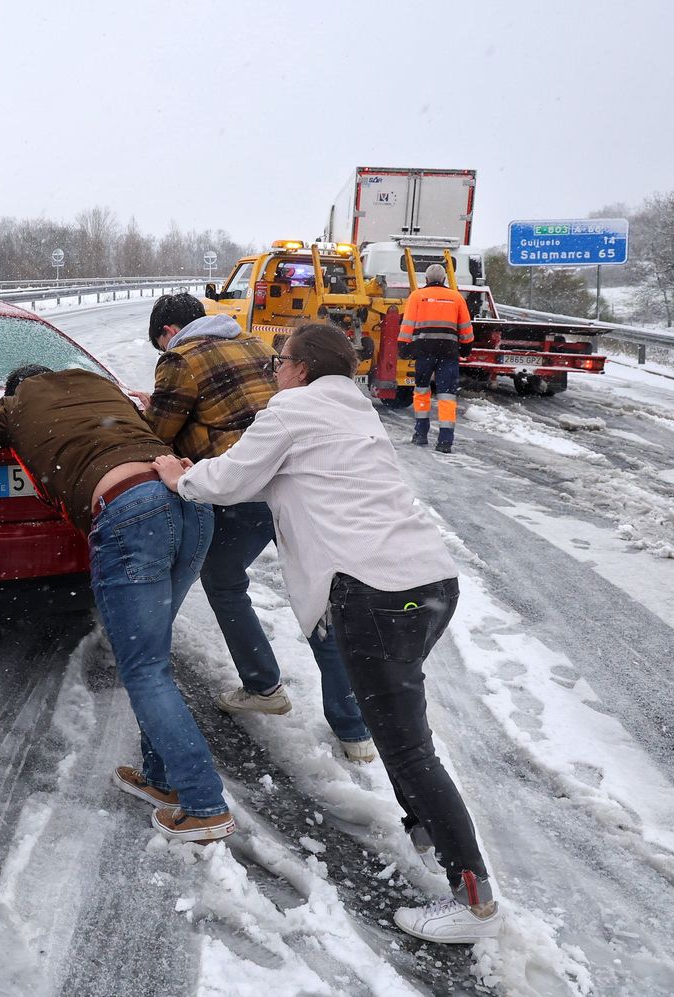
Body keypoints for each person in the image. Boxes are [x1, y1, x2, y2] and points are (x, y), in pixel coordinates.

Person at [153, 322, 504, 944]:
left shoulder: (291, 411)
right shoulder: (354, 411)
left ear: (302, 368)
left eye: (280, 360)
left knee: (408, 746)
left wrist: (179, 477)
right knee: (401, 727)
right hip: (430, 583)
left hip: (376, 593)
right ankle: (426, 825)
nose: (275, 370)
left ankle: (472, 899)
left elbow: (229, 482)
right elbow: (266, 478)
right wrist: (205, 473)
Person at [0, 365, 233, 842]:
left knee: (143, 669)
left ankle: (203, 804)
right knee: (152, 659)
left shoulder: (15, 407)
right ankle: (161, 778)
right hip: (190, 502)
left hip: (131, 511)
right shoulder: (101, 386)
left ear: (13, 393)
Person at [142, 293, 375, 762]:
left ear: (168, 332)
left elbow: (159, 432)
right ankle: (353, 729)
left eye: (161, 342)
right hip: (291, 482)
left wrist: (152, 415)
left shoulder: (180, 359)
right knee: (317, 595)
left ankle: (263, 685)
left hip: (242, 487)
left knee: (223, 580)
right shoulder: (254, 344)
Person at [398, 262, 474, 453]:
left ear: (426, 279)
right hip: (448, 353)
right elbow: (466, 327)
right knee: (447, 395)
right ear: (444, 279)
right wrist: (466, 348)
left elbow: (407, 324)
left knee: (422, 391)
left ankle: (421, 433)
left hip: (424, 352)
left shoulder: (417, 296)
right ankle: (445, 441)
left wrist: (404, 347)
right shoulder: (456, 297)